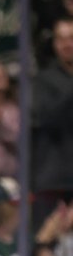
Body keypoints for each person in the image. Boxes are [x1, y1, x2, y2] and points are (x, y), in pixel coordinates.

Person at [32, 16, 73, 232]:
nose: (67, 44)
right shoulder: (42, 80)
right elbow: (48, 118)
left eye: (72, 38)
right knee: (46, 247)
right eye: (61, 39)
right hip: (55, 181)